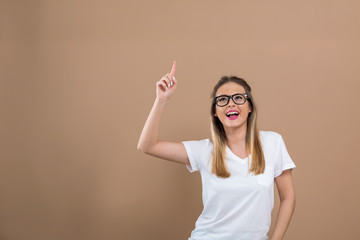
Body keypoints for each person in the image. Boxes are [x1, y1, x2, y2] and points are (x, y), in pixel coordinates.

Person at [137, 61, 296, 240]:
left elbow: (288, 197)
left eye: (238, 97)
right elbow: (147, 145)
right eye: (222, 100)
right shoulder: (204, 150)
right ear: (215, 111)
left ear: (250, 107)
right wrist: (161, 100)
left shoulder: (272, 142)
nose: (230, 104)